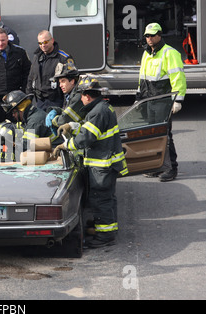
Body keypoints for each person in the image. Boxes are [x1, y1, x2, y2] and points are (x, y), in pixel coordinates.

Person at [54, 76, 128, 248]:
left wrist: (66, 145)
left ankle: (105, 236)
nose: (80, 98)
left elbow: (86, 138)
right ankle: (108, 229)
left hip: (102, 166)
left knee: (100, 199)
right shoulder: (102, 108)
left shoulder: (97, 112)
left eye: (81, 95)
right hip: (107, 164)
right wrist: (72, 127)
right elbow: (91, 130)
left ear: (87, 95)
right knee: (108, 198)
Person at [136, 22, 186, 182]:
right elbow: (142, 76)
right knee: (153, 135)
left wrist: (177, 100)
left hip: (162, 100)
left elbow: (178, 78)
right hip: (148, 100)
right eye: (147, 36)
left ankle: (171, 168)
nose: (149, 38)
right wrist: (138, 95)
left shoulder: (169, 53)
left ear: (159, 35)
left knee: (165, 135)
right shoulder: (147, 53)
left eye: (152, 35)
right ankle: (157, 166)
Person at [27, 30, 75, 110]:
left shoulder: (63, 58)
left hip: (57, 101)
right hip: (39, 101)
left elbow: (72, 81)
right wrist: (29, 97)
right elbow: (31, 78)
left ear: (52, 40)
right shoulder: (37, 57)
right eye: (40, 43)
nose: (43, 45)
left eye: (45, 42)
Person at [45, 61, 86, 136]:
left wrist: (53, 120)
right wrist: (56, 111)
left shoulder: (78, 96)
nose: (60, 85)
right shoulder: (70, 94)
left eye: (63, 81)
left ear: (72, 81)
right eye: (59, 82)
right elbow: (66, 111)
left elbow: (65, 119)